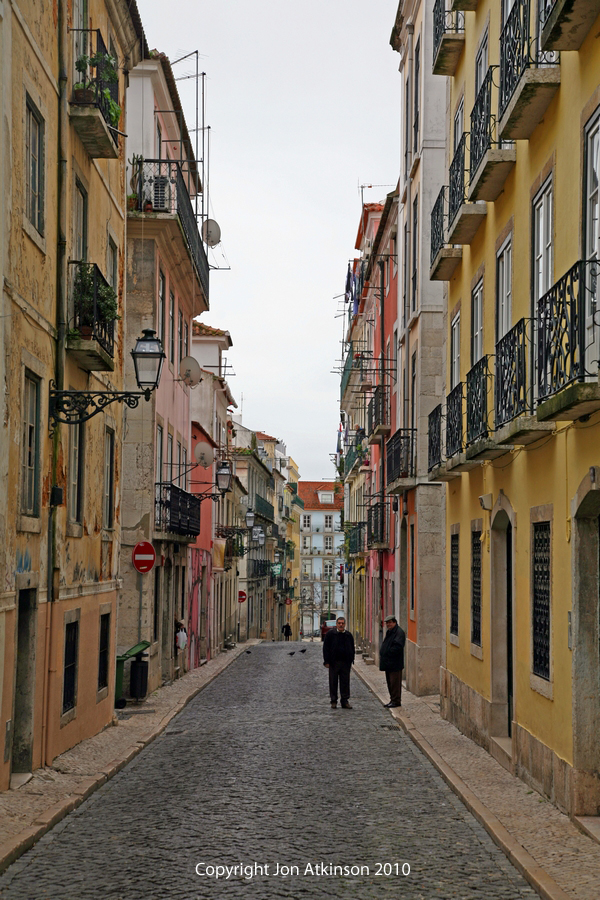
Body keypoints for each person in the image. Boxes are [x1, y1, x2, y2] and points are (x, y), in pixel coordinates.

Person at [323, 616, 355, 709]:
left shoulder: (348, 635)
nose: (341, 625)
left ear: (345, 624)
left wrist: (351, 659)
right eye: (339, 623)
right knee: (333, 682)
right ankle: (333, 701)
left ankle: (345, 701)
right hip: (334, 662)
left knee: (345, 682)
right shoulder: (330, 634)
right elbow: (326, 648)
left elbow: (352, 648)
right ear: (336, 624)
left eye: (342, 623)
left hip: (345, 663)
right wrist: (326, 661)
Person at [379, 614, 405, 708]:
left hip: (395, 663)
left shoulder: (399, 632)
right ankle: (392, 700)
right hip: (389, 663)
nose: (388, 625)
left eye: (390, 623)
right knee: (390, 683)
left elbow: (397, 647)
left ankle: (396, 701)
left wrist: (387, 653)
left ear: (394, 622)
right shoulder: (390, 632)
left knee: (395, 683)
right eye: (387, 623)